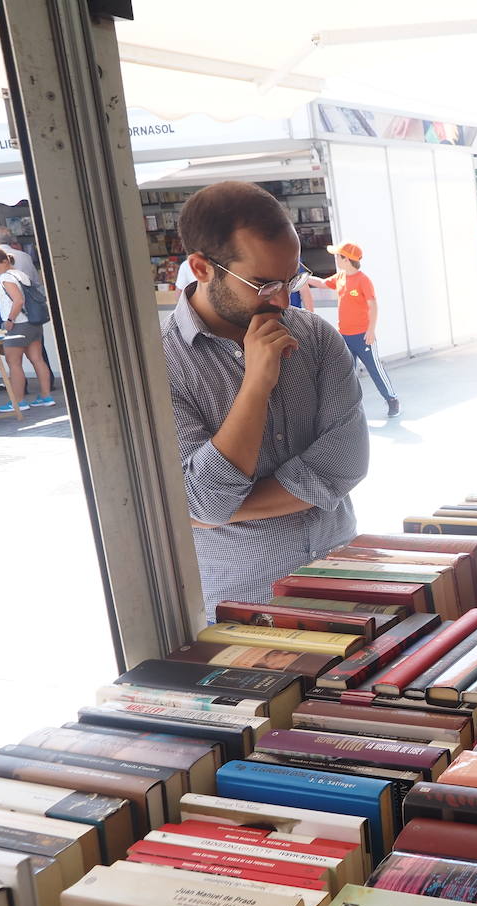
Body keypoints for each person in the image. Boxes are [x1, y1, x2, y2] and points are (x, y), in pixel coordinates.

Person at [162, 180, 369, 619]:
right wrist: (256, 383)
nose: (282, 298)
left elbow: (346, 463)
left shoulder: (313, 336)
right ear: (201, 267)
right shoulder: (161, 363)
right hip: (245, 603)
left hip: (346, 577)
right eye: (262, 283)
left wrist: (222, 510)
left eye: (291, 277)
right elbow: (206, 501)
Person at [306, 240, 400, 418]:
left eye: (338, 256)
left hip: (363, 336)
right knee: (347, 372)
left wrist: (371, 331)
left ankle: (392, 399)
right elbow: (323, 283)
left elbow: (373, 306)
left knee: (375, 369)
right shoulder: (340, 277)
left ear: (346, 259)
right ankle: (350, 406)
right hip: (345, 336)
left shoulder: (363, 281)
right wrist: (305, 277)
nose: (336, 259)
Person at [0, 249, 53, 411]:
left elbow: (18, 300)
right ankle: (46, 396)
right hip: (33, 322)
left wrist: (10, 319)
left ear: (4, 262)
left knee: (14, 363)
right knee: (37, 359)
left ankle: (18, 401)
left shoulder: (5, 277)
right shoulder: (20, 274)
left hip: (18, 324)